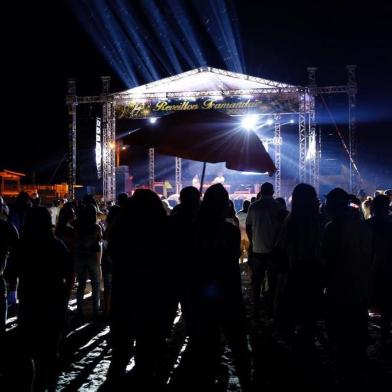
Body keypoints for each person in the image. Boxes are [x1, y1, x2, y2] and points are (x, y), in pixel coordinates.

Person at [107, 190, 176, 387]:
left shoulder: (121, 229)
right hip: (153, 300)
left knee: (120, 353)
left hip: (125, 297)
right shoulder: (163, 231)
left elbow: (113, 257)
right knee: (147, 354)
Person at [192, 184, 252, 391]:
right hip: (229, 289)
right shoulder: (231, 231)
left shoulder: (195, 231)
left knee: (207, 342)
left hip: (204, 290)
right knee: (237, 342)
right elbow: (233, 257)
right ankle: (246, 381)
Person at [6, 207, 72, 391]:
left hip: (30, 305)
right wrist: (65, 297)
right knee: (50, 352)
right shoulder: (57, 245)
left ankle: (33, 385)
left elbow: (10, 274)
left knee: (29, 352)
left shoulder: (22, 245)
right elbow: (69, 273)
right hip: (54, 305)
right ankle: (48, 385)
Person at [322, 187, 372, 384]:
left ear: (333, 206)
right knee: (357, 330)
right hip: (360, 287)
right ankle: (357, 368)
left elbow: (328, 260)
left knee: (339, 333)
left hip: (339, 287)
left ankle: (343, 371)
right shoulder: (364, 228)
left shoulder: (332, 228)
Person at [275, 184, 323, 348]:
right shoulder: (317, 220)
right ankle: (306, 346)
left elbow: (282, 247)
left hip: (294, 271)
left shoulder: (291, 220)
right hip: (311, 271)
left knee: (291, 314)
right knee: (309, 316)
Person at [246, 182, 281, 317]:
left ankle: (255, 309)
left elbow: (248, 227)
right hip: (274, 251)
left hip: (258, 249)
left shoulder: (254, 206)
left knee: (257, 281)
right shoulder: (278, 207)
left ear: (261, 191)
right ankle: (270, 309)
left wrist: (253, 241)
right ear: (272, 192)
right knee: (272, 282)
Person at [367, 194, 392, 347]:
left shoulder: (367, 224)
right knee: (388, 305)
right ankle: (384, 335)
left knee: (365, 301)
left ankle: (366, 334)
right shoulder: (390, 225)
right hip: (387, 268)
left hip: (368, 267)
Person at [74, 204, 102, 317]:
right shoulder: (96, 228)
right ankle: (96, 310)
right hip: (92, 258)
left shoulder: (77, 226)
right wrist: (99, 262)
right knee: (95, 285)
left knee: (81, 284)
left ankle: (79, 310)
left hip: (79, 257)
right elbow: (98, 245)